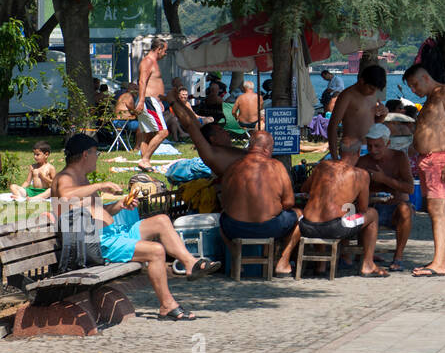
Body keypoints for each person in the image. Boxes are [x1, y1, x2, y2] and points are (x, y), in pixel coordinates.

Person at [53, 133, 219, 320]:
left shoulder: (82, 179)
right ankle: (167, 305)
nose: (97, 158)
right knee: (155, 251)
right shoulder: (66, 177)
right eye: (96, 154)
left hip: (113, 234)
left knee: (162, 220)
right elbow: (66, 197)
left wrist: (120, 205)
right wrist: (100, 185)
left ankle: (190, 263)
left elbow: (97, 210)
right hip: (96, 243)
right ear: (85, 154)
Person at [402, 64, 445, 277]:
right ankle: (438, 258)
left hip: (439, 159)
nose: (413, 90)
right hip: (427, 160)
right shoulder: (431, 98)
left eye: (415, 84)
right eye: (410, 87)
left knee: (437, 210)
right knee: (432, 209)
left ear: (426, 77)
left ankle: (440, 262)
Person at [299, 141, 388, 277]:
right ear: (358, 153)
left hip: (307, 225)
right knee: (373, 214)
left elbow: (304, 189)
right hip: (333, 227)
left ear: (340, 152)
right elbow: (363, 208)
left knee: (320, 212)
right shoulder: (360, 174)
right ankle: (368, 264)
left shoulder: (322, 166)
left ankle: (321, 266)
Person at [218, 135, 301, 277]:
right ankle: (283, 262)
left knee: (221, 219)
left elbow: (224, 202)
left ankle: (236, 259)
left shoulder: (233, 167)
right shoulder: (277, 166)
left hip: (234, 228)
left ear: (250, 147)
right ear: (267, 148)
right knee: (299, 214)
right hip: (269, 228)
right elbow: (289, 203)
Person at [358, 124, 414, 270]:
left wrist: (384, 179)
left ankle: (398, 256)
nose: (373, 150)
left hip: (394, 207)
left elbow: (410, 188)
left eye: (377, 146)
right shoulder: (364, 161)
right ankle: (364, 254)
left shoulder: (399, 158)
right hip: (372, 207)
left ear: (388, 143)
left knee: (405, 209)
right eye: (369, 146)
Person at [327, 64, 386, 160]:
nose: (373, 92)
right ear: (362, 81)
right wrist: (334, 156)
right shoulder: (347, 96)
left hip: (370, 147)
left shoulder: (374, 95)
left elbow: (375, 124)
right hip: (351, 149)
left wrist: (383, 114)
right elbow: (332, 127)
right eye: (371, 88)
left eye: (376, 90)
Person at [135, 38, 170, 170]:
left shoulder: (153, 62)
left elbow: (153, 83)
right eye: (164, 51)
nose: (165, 54)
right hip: (148, 101)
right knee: (163, 132)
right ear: (159, 49)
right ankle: (145, 159)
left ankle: (144, 164)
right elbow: (142, 82)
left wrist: (159, 101)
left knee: (147, 135)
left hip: (152, 101)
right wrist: (143, 100)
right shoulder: (148, 61)